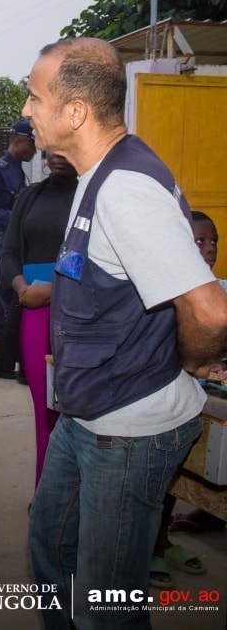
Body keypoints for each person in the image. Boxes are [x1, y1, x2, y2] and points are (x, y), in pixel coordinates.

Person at [24, 37, 227, 628]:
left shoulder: (125, 189)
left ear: (75, 112)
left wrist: (191, 359)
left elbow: (210, 312)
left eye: (35, 97)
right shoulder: (99, 172)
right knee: (51, 549)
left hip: (128, 429)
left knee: (106, 605)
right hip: (88, 413)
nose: (27, 109)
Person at [148, 210, 227, 588]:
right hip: (161, 403)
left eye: (214, 241)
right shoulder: (163, 294)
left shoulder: (219, 290)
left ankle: (163, 540)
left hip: (194, 403)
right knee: (157, 481)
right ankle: (150, 547)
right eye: (200, 241)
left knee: (177, 477)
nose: (210, 248)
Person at [0, 152, 77, 489]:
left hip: (79, 312)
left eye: (66, 148)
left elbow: (100, 257)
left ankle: (76, 494)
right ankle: (45, 494)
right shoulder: (31, 196)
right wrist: (22, 288)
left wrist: (53, 289)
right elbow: (9, 252)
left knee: (76, 410)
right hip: (34, 311)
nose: (58, 156)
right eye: (52, 149)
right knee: (44, 409)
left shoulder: (94, 196)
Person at [0, 118, 35, 380]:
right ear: (19, 140)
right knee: (7, 307)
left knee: (3, 308)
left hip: (11, 246)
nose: (34, 150)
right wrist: (16, 218)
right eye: (32, 144)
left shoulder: (17, 171)